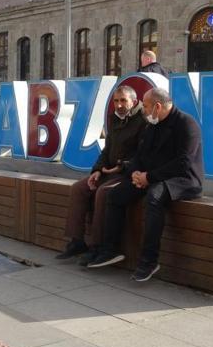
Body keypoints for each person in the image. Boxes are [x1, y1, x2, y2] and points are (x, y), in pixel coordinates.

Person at [87, 88, 203, 282]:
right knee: (115, 195)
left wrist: (149, 177)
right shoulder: (152, 125)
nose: (144, 110)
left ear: (158, 106)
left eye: (147, 106)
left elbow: (183, 163)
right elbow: (140, 156)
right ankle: (110, 249)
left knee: (154, 197)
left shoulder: (187, 124)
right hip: (152, 176)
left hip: (183, 180)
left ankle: (149, 261)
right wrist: (135, 174)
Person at [56, 86, 147, 263]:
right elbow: (107, 150)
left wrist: (121, 166)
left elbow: (142, 155)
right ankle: (76, 241)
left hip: (127, 173)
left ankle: (97, 246)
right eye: (116, 101)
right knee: (78, 188)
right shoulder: (114, 119)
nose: (119, 105)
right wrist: (97, 170)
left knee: (102, 193)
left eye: (123, 101)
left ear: (134, 102)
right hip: (109, 171)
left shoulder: (143, 121)